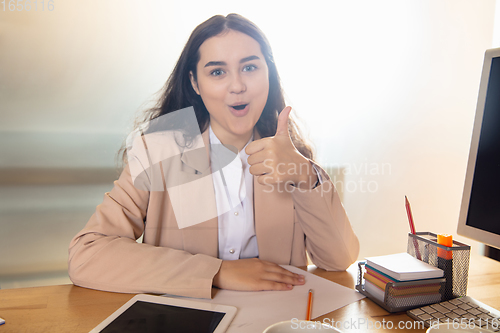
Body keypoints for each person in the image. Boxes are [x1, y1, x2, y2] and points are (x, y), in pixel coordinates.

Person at [68, 13, 359, 299]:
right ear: (195, 83)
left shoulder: (289, 156)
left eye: (250, 68)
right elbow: (87, 254)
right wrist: (218, 272)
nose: (237, 86)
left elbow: (338, 259)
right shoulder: (158, 150)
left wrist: (305, 175)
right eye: (218, 72)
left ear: (268, 73)